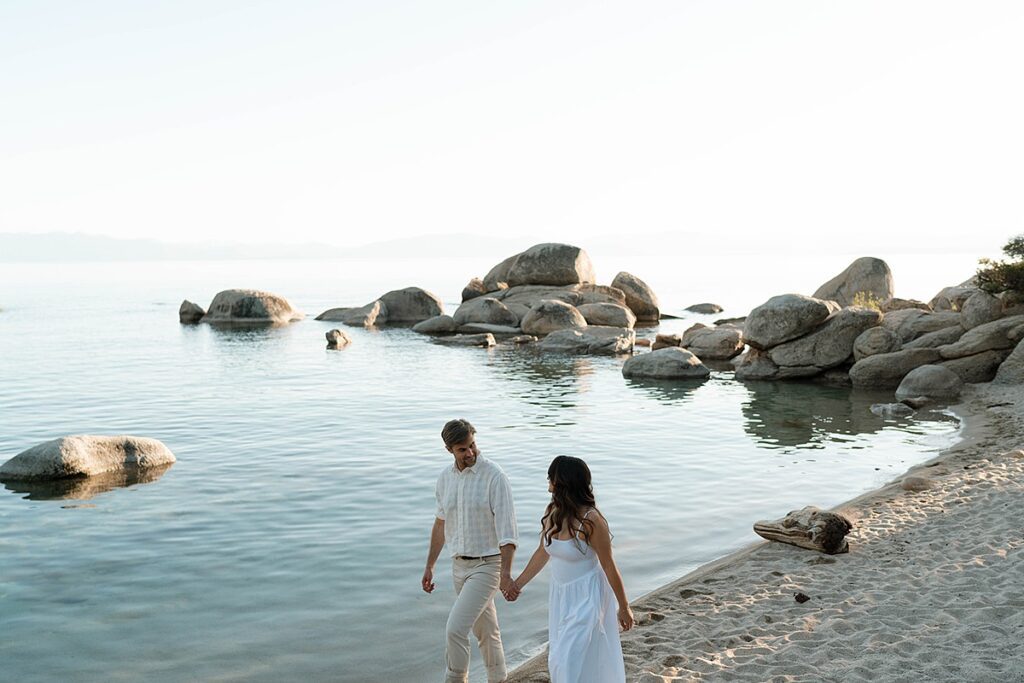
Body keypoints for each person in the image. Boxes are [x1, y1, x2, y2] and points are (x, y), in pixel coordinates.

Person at [509, 455, 633, 683]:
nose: (548, 485)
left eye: (551, 479)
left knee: (568, 659)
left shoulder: (592, 520)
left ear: (562, 482)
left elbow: (608, 565)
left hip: (588, 596)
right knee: (560, 657)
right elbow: (542, 552)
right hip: (561, 596)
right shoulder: (552, 512)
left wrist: (623, 607)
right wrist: (517, 584)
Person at [422, 419, 518, 683]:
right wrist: (429, 565)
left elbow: (508, 532)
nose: (470, 453)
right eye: (462, 449)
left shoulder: (494, 476)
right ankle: (498, 679)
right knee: (486, 630)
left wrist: (507, 574)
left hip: (488, 565)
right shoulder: (444, 479)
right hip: (458, 567)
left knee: (455, 629)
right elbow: (441, 524)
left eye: (472, 445)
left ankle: (455, 679)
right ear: (449, 449)